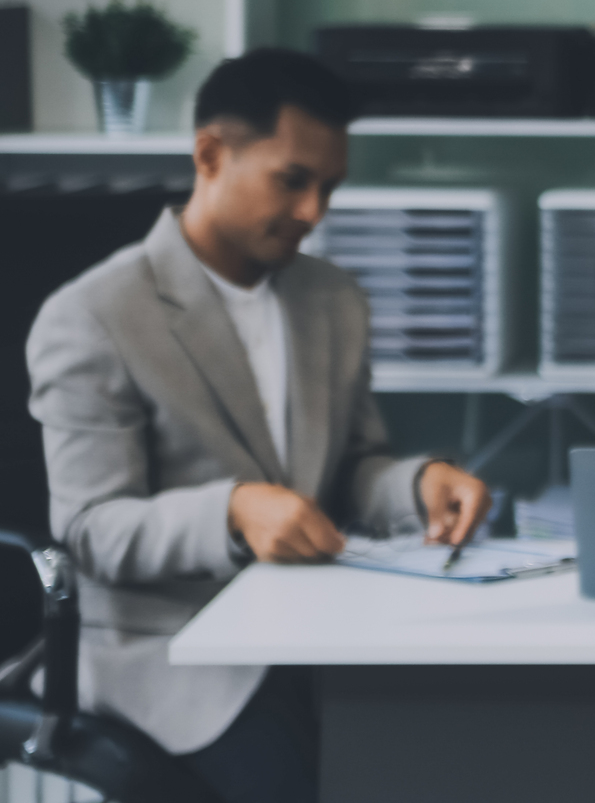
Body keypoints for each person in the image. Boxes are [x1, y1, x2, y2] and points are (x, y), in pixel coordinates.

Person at [26, 49, 490, 803]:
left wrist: (419, 482)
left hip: (318, 626)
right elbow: (90, 530)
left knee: (457, 745)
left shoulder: (332, 300)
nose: (315, 212)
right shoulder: (92, 316)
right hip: (171, 655)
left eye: (329, 187)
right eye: (292, 180)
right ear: (210, 155)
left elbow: (353, 466)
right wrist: (233, 510)